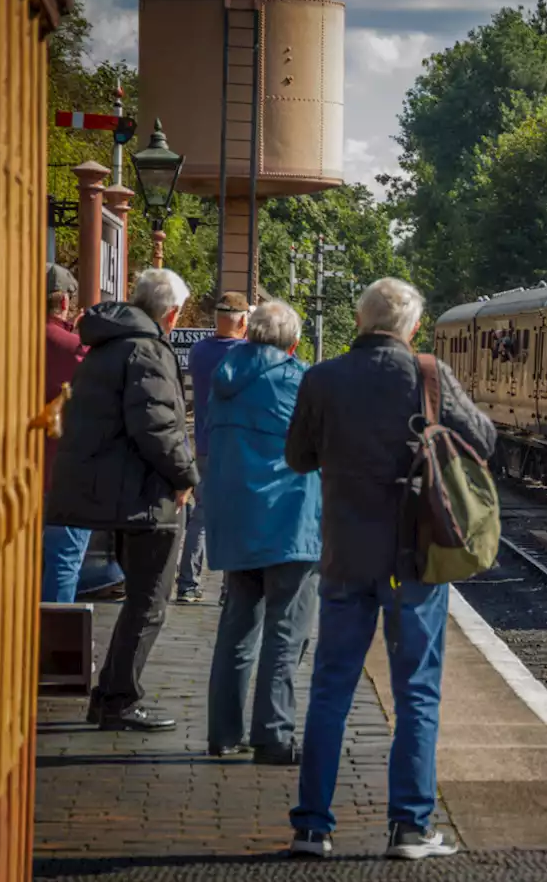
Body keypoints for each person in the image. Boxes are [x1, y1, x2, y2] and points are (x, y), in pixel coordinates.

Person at [285, 277, 495, 860]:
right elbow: (484, 440)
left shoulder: (321, 377)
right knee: (417, 694)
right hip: (415, 560)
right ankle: (410, 828)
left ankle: (311, 827)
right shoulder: (428, 376)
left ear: (359, 320)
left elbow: (297, 456)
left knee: (331, 689)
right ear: (413, 328)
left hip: (345, 557)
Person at [47, 268, 199, 733]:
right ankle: (116, 699)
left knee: (139, 599)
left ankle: (110, 695)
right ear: (171, 313)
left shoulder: (109, 342)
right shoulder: (148, 349)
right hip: (145, 496)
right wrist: (186, 475)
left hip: (115, 490)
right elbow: (157, 425)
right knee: (149, 601)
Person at [205, 299, 321, 764]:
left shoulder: (225, 376)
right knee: (284, 630)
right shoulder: (299, 381)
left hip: (236, 518)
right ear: (292, 343)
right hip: (290, 520)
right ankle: (272, 735)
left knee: (237, 626)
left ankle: (223, 732)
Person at [176, 291, 250, 604]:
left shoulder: (198, 351)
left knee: (202, 517)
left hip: (205, 443)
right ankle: (229, 589)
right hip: (238, 446)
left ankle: (188, 585)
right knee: (236, 519)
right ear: (244, 320)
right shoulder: (248, 354)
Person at [41, 263, 92, 604]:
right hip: (64, 474)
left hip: (12, 472)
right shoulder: (74, 348)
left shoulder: (3, 341)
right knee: (64, 561)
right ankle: (53, 645)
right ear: (63, 303)